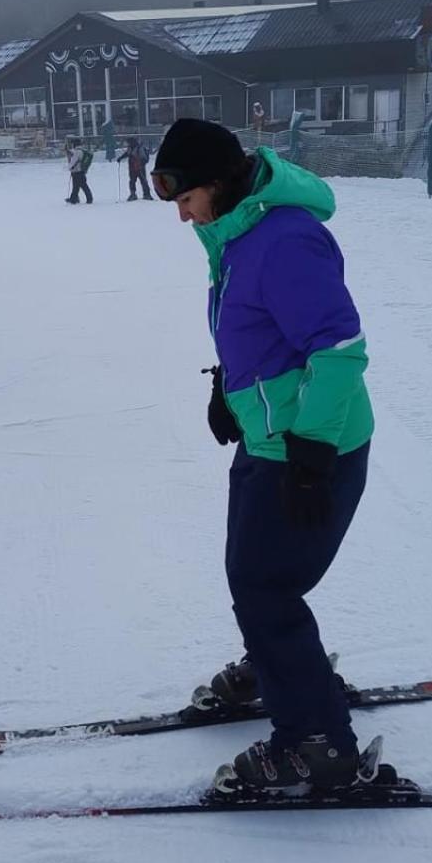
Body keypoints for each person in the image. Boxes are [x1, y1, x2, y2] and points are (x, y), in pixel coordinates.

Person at [150, 118, 374, 795]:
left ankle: (317, 742)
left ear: (215, 184)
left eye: (183, 197)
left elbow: (339, 350)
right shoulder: (239, 236)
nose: (181, 215)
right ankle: (278, 668)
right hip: (271, 438)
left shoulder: (283, 241)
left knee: (266, 584)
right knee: (252, 574)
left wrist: (312, 453)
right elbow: (261, 330)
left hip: (310, 445)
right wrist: (229, 387)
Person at [122, 136, 153, 201]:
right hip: (132, 168)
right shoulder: (130, 148)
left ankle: (147, 194)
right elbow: (127, 154)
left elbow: (144, 158)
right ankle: (133, 194)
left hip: (140, 168)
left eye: (128, 142)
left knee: (143, 181)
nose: (128, 144)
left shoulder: (139, 148)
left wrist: (140, 164)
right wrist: (121, 158)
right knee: (132, 181)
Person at [64, 137, 93, 205]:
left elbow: (73, 161)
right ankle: (74, 199)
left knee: (82, 186)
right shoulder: (81, 150)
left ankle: (89, 199)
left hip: (77, 171)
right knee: (77, 186)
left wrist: (69, 167)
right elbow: (72, 154)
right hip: (81, 171)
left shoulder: (77, 152)